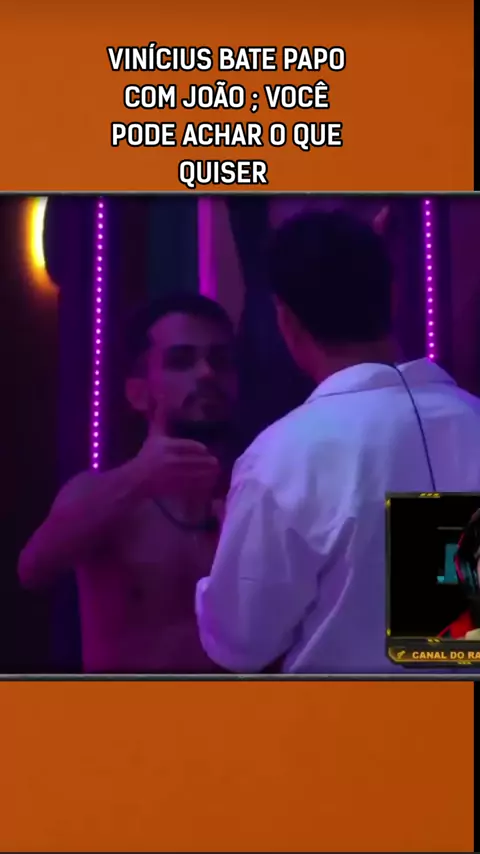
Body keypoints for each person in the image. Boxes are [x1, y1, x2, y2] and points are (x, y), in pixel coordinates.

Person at [195, 210, 480, 674]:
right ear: (392, 297)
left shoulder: (281, 459)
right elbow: (448, 638)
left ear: (286, 321)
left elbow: (239, 644)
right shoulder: (473, 420)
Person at [18, 294, 238, 673]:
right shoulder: (98, 493)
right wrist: (139, 478)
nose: (206, 373)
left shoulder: (254, 494)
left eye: (219, 360)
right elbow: (33, 569)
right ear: (138, 393)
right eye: (181, 360)